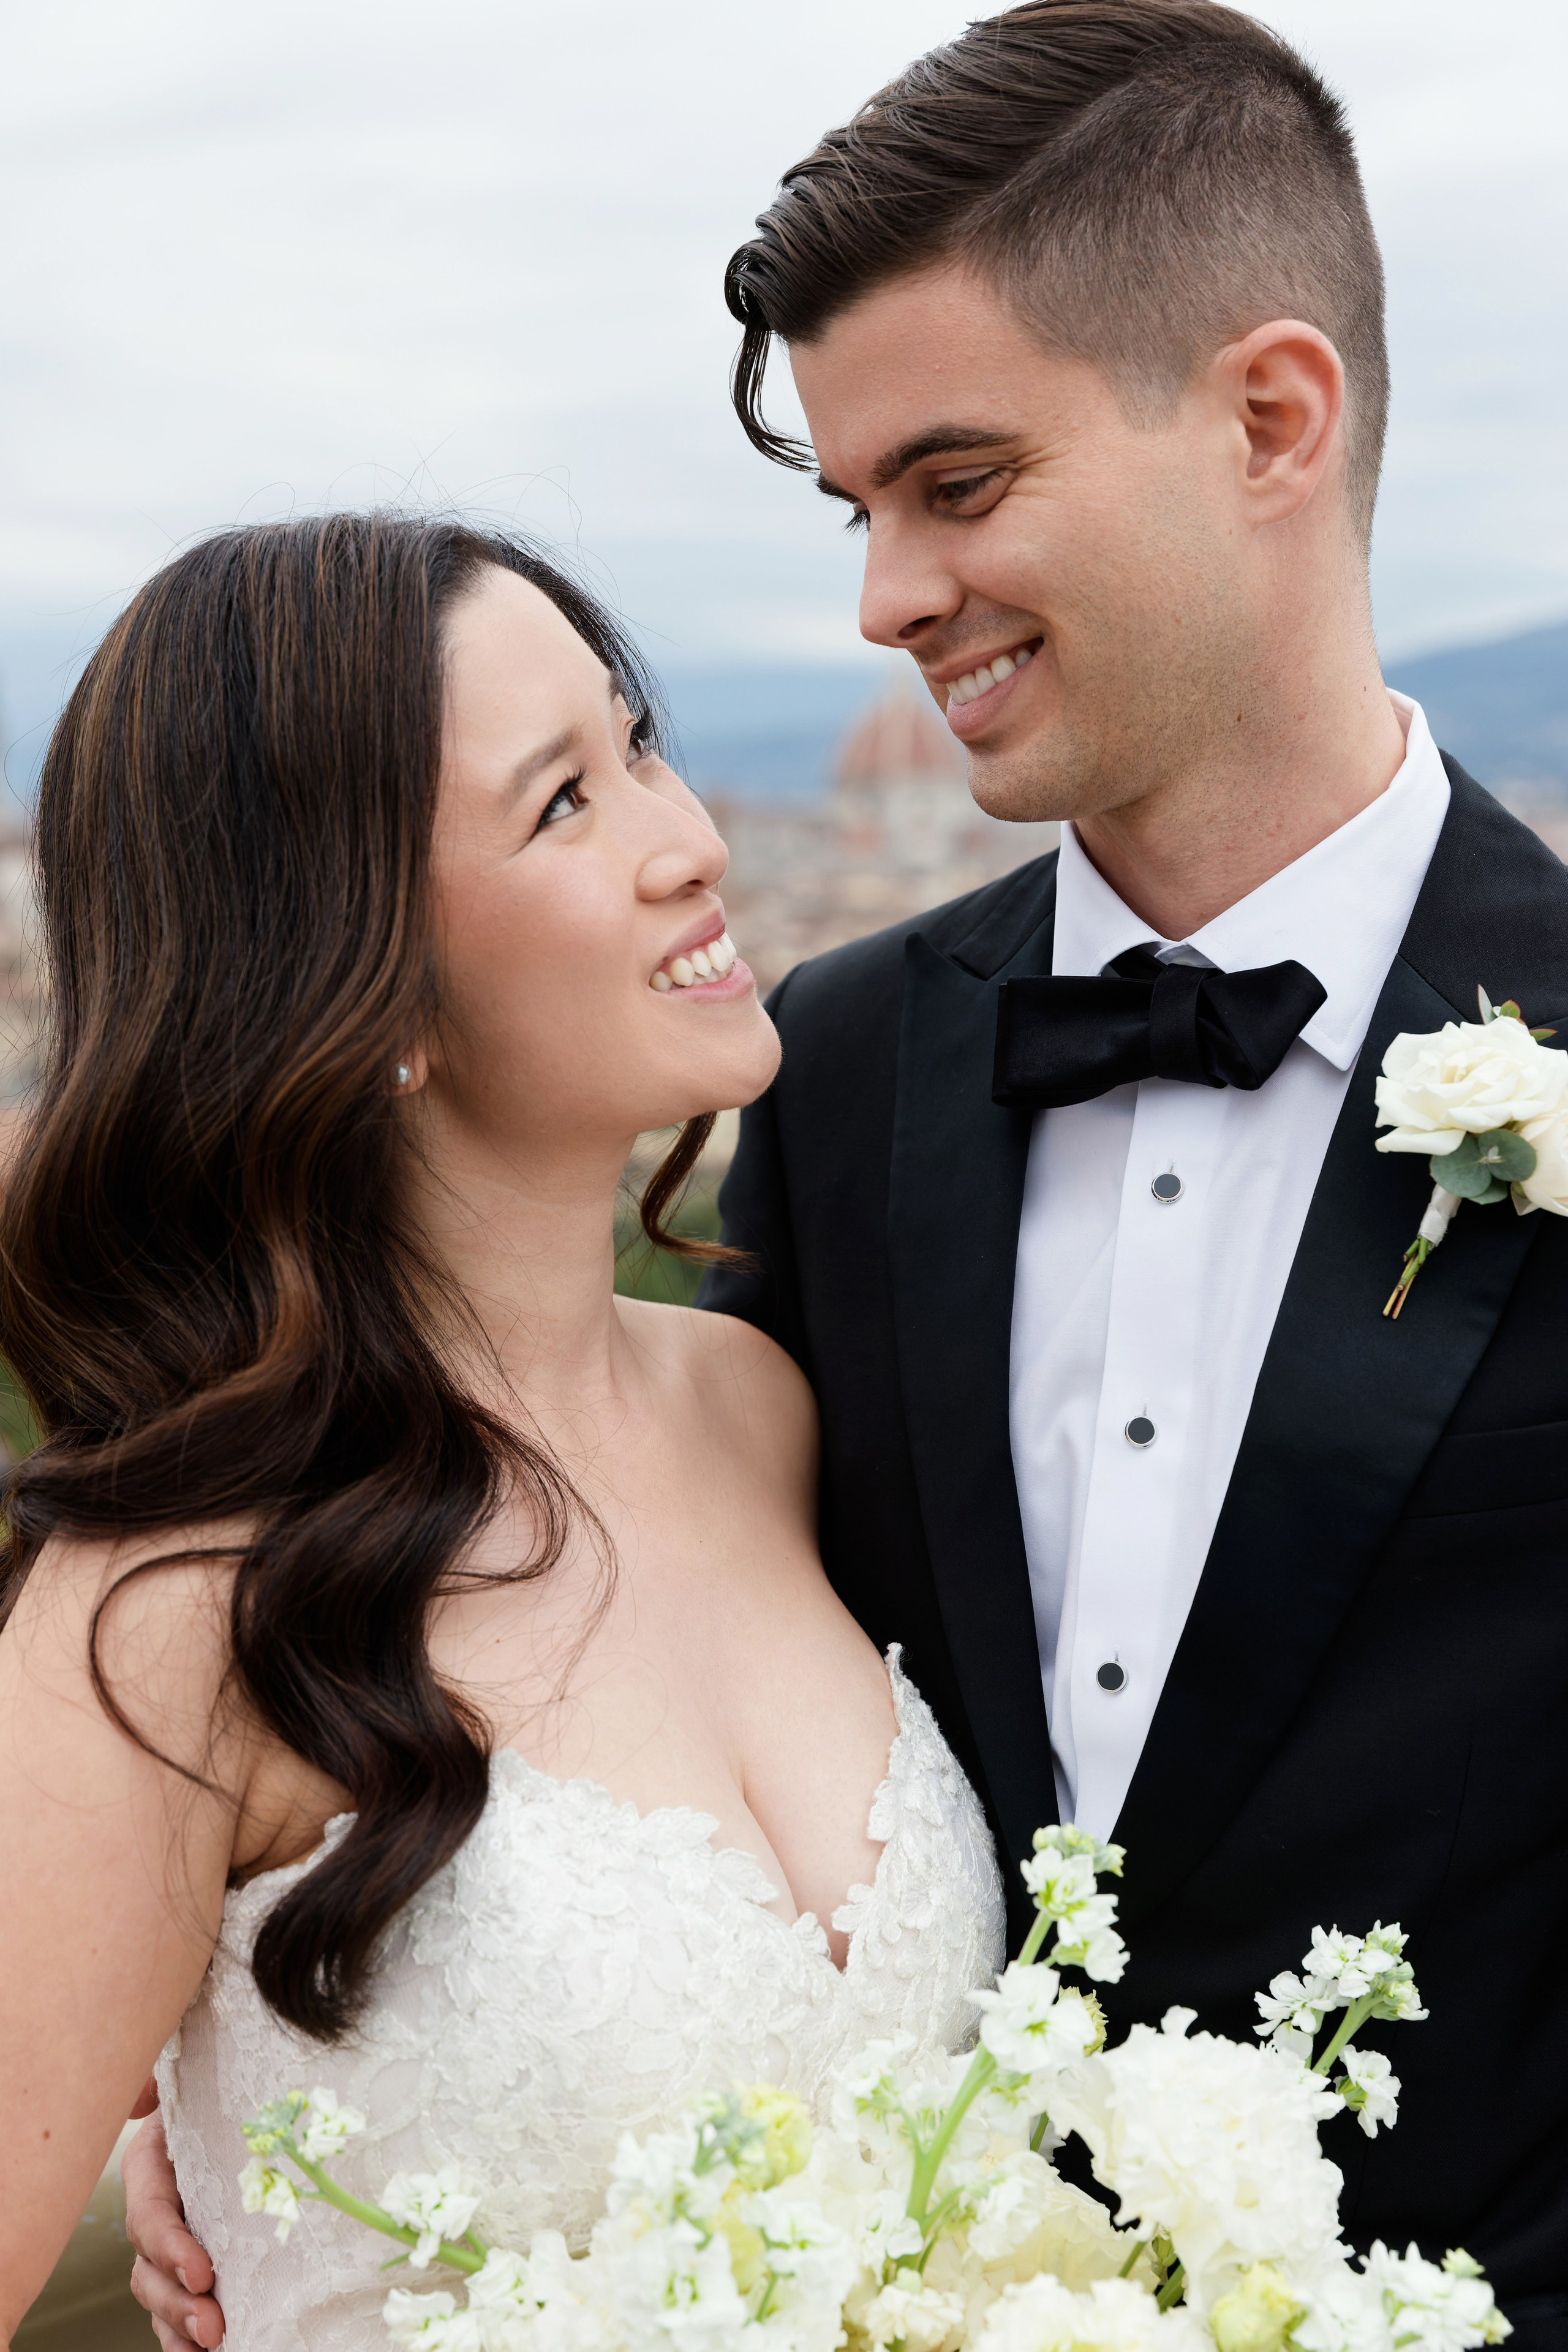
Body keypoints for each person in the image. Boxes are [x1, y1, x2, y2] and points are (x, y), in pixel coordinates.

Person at [695, 1, 1568, 2340]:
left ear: (1274, 419)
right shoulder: (829, 1067)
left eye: (956, 486)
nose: (884, 597)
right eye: (858, 510)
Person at [0, 515, 1005, 2351]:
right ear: (352, 981)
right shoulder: (170, 1607)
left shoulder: (760, 1408)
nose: (690, 840)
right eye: (563, 804)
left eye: (638, 744)